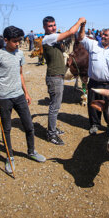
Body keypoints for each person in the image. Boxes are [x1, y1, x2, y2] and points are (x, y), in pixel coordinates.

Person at [0, 26, 46, 174]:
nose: (18, 44)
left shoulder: (20, 54)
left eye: (19, 41)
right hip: (3, 97)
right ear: (6, 40)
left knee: (29, 125)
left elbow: (20, 74)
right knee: (6, 129)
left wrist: (26, 93)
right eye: (15, 41)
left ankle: (31, 152)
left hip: (19, 95)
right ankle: (9, 157)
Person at [42, 16, 86, 145]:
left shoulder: (54, 40)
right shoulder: (48, 38)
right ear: (44, 27)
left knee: (56, 106)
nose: (53, 28)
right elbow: (71, 32)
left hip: (58, 76)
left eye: (54, 25)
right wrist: (79, 21)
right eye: (50, 26)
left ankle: (53, 129)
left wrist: (66, 62)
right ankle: (51, 134)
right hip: (54, 77)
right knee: (54, 107)